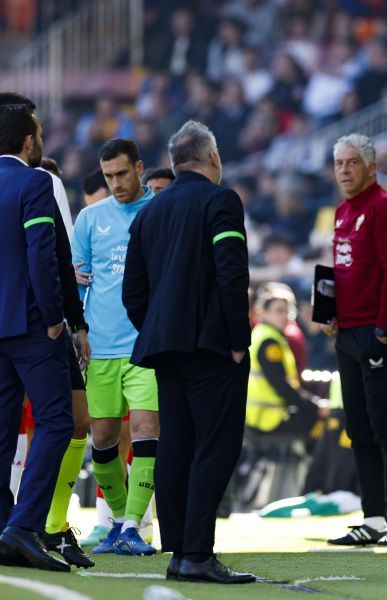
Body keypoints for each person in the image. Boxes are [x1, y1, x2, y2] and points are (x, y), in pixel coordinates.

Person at [122, 120, 254, 584]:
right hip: (213, 348)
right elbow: (231, 274)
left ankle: (180, 550)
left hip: (165, 349)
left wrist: (159, 330)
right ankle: (197, 553)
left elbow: (132, 293)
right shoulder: (221, 200)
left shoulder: (149, 213)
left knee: (175, 444)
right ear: (212, 158)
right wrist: (238, 340)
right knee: (215, 446)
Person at [0, 92, 94, 568]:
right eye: (37, 132)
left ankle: (3, 528)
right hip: (34, 328)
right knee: (57, 421)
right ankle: (22, 527)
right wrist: (62, 319)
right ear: (27, 139)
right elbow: (45, 254)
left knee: (1, 430)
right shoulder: (34, 182)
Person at [71, 138, 159, 557]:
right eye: (109, 176)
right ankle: (120, 526)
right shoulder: (90, 218)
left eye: (123, 173)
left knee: (145, 431)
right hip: (101, 346)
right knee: (102, 437)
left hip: (145, 346)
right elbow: (77, 280)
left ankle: (134, 527)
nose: (116, 183)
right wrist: (78, 327)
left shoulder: (158, 211)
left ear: (139, 167)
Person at [323, 133, 387, 545]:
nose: (343, 170)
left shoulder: (384, 208)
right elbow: (343, 272)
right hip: (346, 332)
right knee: (357, 427)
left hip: (377, 332)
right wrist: (327, 312)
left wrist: (383, 329)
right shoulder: (340, 211)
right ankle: (373, 517)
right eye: (339, 163)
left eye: (352, 162)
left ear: (371, 167)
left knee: (385, 426)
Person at [246, 283, 322, 436]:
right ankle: (315, 460)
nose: (285, 316)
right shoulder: (269, 342)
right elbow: (282, 386)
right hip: (269, 417)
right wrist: (315, 406)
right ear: (264, 313)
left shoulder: (262, 334)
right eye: (279, 311)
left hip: (260, 415)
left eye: (288, 311)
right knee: (326, 419)